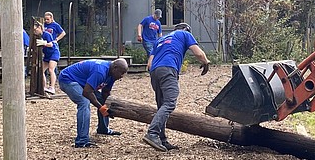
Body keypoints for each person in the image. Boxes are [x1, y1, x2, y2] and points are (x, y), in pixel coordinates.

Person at [142, 22, 210, 152]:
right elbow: (199, 53)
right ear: (187, 30)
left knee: (162, 105)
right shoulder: (184, 34)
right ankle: (152, 133)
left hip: (155, 72)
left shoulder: (160, 40)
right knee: (170, 103)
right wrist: (205, 62)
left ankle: (161, 139)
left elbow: (149, 64)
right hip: (168, 69)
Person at [58, 58, 129, 148]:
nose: (122, 76)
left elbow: (105, 93)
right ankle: (82, 140)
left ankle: (103, 129)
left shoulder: (112, 75)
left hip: (83, 83)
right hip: (68, 79)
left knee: (103, 101)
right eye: (121, 72)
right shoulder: (100, 71)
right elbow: (87, 92)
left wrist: (108, 107)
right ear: (115, 68)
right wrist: (101, 108)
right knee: (84, 102)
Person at [33, 22, 60, 94]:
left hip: (54, 53)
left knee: (51, 69)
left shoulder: (47, 34)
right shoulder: (37, 36)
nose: (34, 31)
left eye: (35, 30)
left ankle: (52, 87)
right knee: (41, 71)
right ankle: (44, 87)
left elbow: (51, 44)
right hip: (47, 54)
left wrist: (44, 43)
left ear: (39, 28)